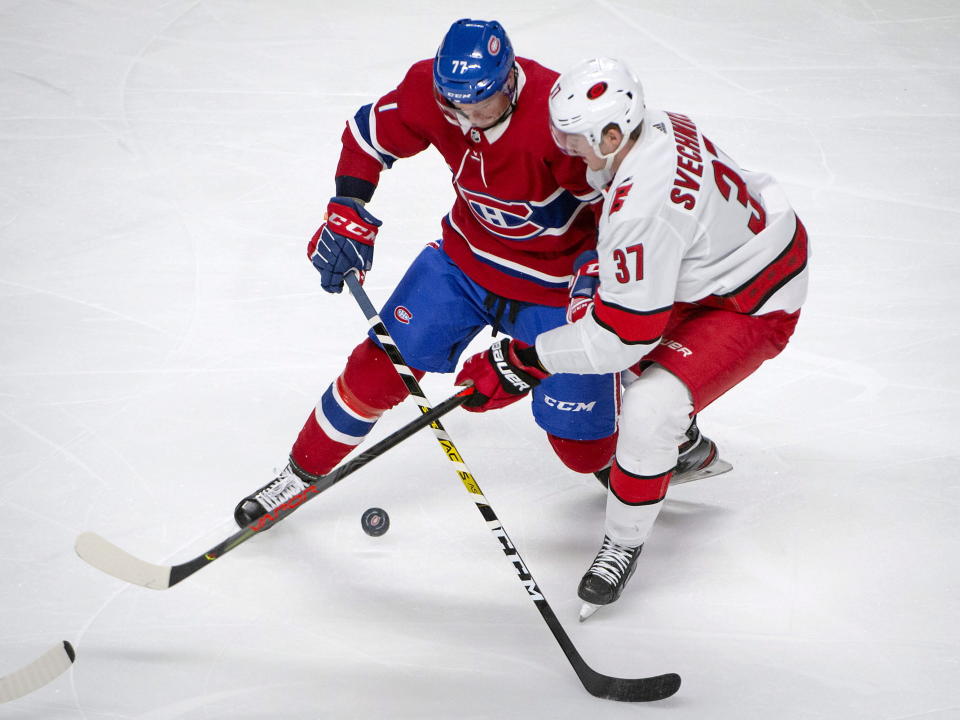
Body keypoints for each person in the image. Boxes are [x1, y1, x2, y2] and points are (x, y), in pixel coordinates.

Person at [454, 57, 808, 619]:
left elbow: (621, 339)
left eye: (576, 141)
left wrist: (516, 362)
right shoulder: (656, 124)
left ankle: (622, 540)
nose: (567, 153)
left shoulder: (641, 210)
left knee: (648, 406)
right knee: (620, 336)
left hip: (753, 298)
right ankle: (686, 445)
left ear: (613, 134)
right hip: (724, 259)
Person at [233, 20, 622, 525]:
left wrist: (597, 279)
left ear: (509, 83)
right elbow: (368, 134)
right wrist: (346, 208)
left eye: (480, 106)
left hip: (554, 289)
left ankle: (645, 419)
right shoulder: (432, 93)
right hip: (464, 265)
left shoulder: (559, 116)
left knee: (581, 452)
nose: (467, 119)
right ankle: (298, 475)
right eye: (454, 105)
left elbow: (617, 207)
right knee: (377, 370)